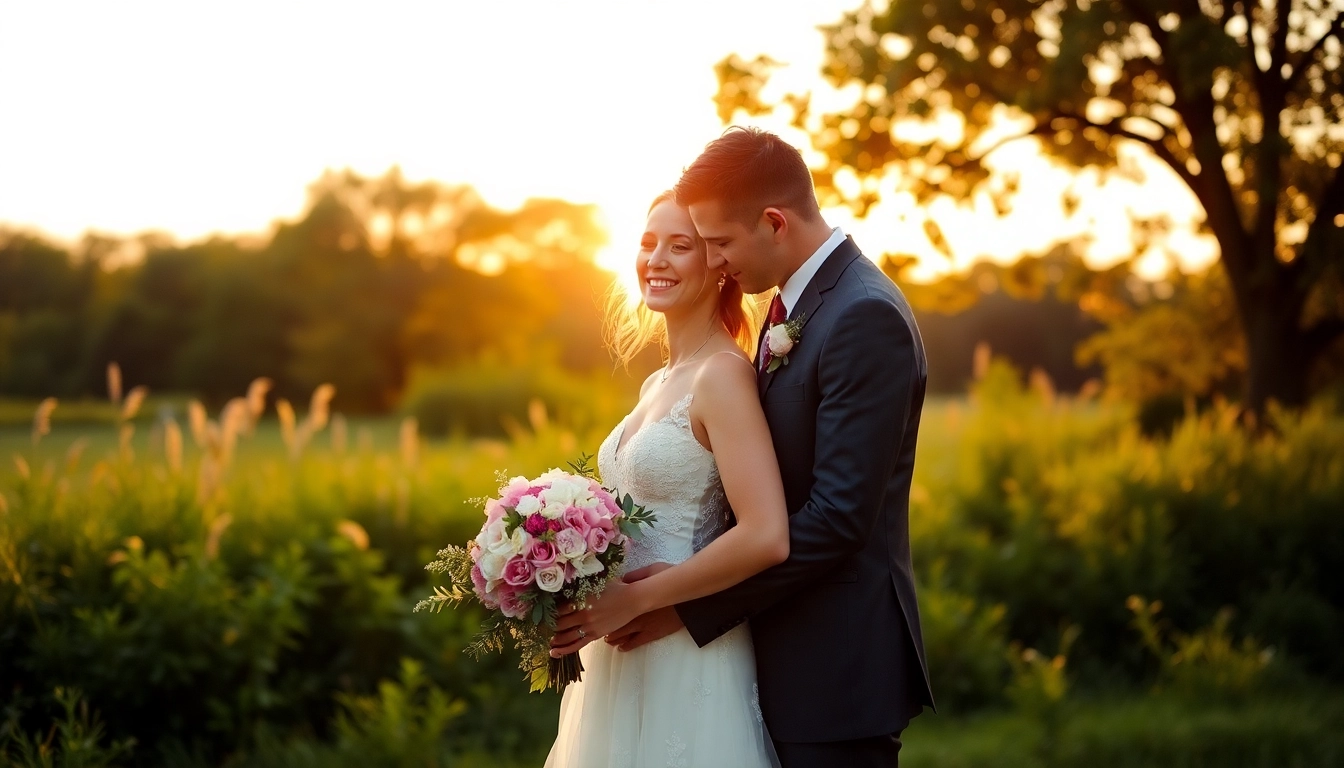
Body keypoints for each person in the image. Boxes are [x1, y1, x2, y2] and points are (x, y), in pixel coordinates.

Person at [574, 127, 937, 767]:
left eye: (717, 244)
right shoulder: (795, 309)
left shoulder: (862, 314)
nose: (716, 263)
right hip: (768, 653)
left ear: (773, 221)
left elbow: (837, 519)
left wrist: (680, 605)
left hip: (834, 667)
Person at [544, 191, 787, 767]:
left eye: (681, 246)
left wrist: (637, 599)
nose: (656, 259)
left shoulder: (724, 376)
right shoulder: (656, 383)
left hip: (686, 650)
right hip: (621, 651)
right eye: (649, 243)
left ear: (718, 266)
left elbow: (765, 534)